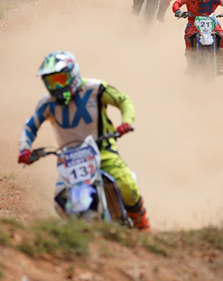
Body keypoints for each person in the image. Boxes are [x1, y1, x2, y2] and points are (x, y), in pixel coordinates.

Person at [18, 51, 151, 232]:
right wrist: (25, 150)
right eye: (51, 81)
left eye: (61, 79)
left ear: (73, 74)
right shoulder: (46, 103)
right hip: (70, 160)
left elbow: (123, 100)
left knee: (126, 183)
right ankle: (76, 232)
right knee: (60, 200)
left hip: (102, 150)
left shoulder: (94, 88)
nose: (57, 86)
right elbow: (30, 127)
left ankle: (142, 224)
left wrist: (126, 122)